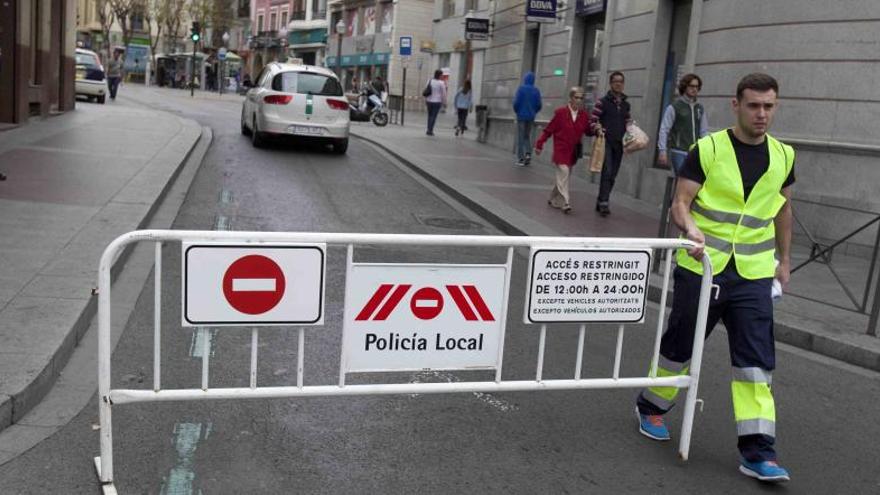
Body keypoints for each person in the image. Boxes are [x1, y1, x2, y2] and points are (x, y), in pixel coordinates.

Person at [634, 73, 795, 483]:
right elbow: (681, 203)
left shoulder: (784, 156)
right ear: (735, 104)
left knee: (756, 362)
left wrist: (785, 261)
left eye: (769, 106)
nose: (762, 114)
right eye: (755, 105)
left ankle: (759, 451)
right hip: (702, 267)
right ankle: (652, 405)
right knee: (680, 344)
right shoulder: (707, 149)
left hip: (754, 274)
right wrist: (689, 228)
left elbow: (783, 211)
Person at [534, 87, 595, 214]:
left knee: (563, 177)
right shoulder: (560, 113)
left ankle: (552, 198)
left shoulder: (584, 115)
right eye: (576, 97)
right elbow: (548, 130)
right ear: (571, 98)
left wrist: (597, 129)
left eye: (581, 98)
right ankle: (566, 202)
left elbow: (588, 131)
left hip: (573, 152)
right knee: (564, 172)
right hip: (561, 150)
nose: (578, 100)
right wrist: (539, 144)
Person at [590, 71, 632, 216]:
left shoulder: (626, 105)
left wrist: (632, 130)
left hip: (619, 143)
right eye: (615, 81)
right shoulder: (602, 102)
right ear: (611, 83)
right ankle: (604, 202)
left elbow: (628, 123)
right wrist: (598, 129)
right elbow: (593, 120)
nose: (618, 84)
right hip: (606, 141)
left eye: (621, 81)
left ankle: (601, 199)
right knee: (607, 171)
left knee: (613, 174)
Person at [658, 73, 709, 174]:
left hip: (695, 152)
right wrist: (662, 151)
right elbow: (664, 129)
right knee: (682, 178)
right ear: (685, 86)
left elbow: (704, 131)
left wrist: (706, 150)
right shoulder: (674, 107)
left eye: (697, 87)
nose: (695, 89)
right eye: (692, 86)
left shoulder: (699, 108)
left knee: (688, 183)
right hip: (679, 151)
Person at [512, 71, 542, 166]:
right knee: (526, 135)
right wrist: (534, 112)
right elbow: (539, 105)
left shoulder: (521, 89)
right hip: (531, 116)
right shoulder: (536, 90)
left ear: (525, 79)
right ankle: (528, 153)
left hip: (521, 116)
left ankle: (521, 158)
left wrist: (517, 111)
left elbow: (516, 103)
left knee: (520, 136)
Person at [424, 69, 447, 136]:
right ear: (439, 75)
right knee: (433, 116)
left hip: (429, 101)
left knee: (429, 115)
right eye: (442, 75)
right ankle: (430, 130)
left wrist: (426, 99)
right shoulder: (441, 83)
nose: (442, 76)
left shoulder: (430, 80)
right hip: (437, 102)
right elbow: (444, 93)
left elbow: (426, 89)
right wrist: (444, 102)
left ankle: (428, 129)